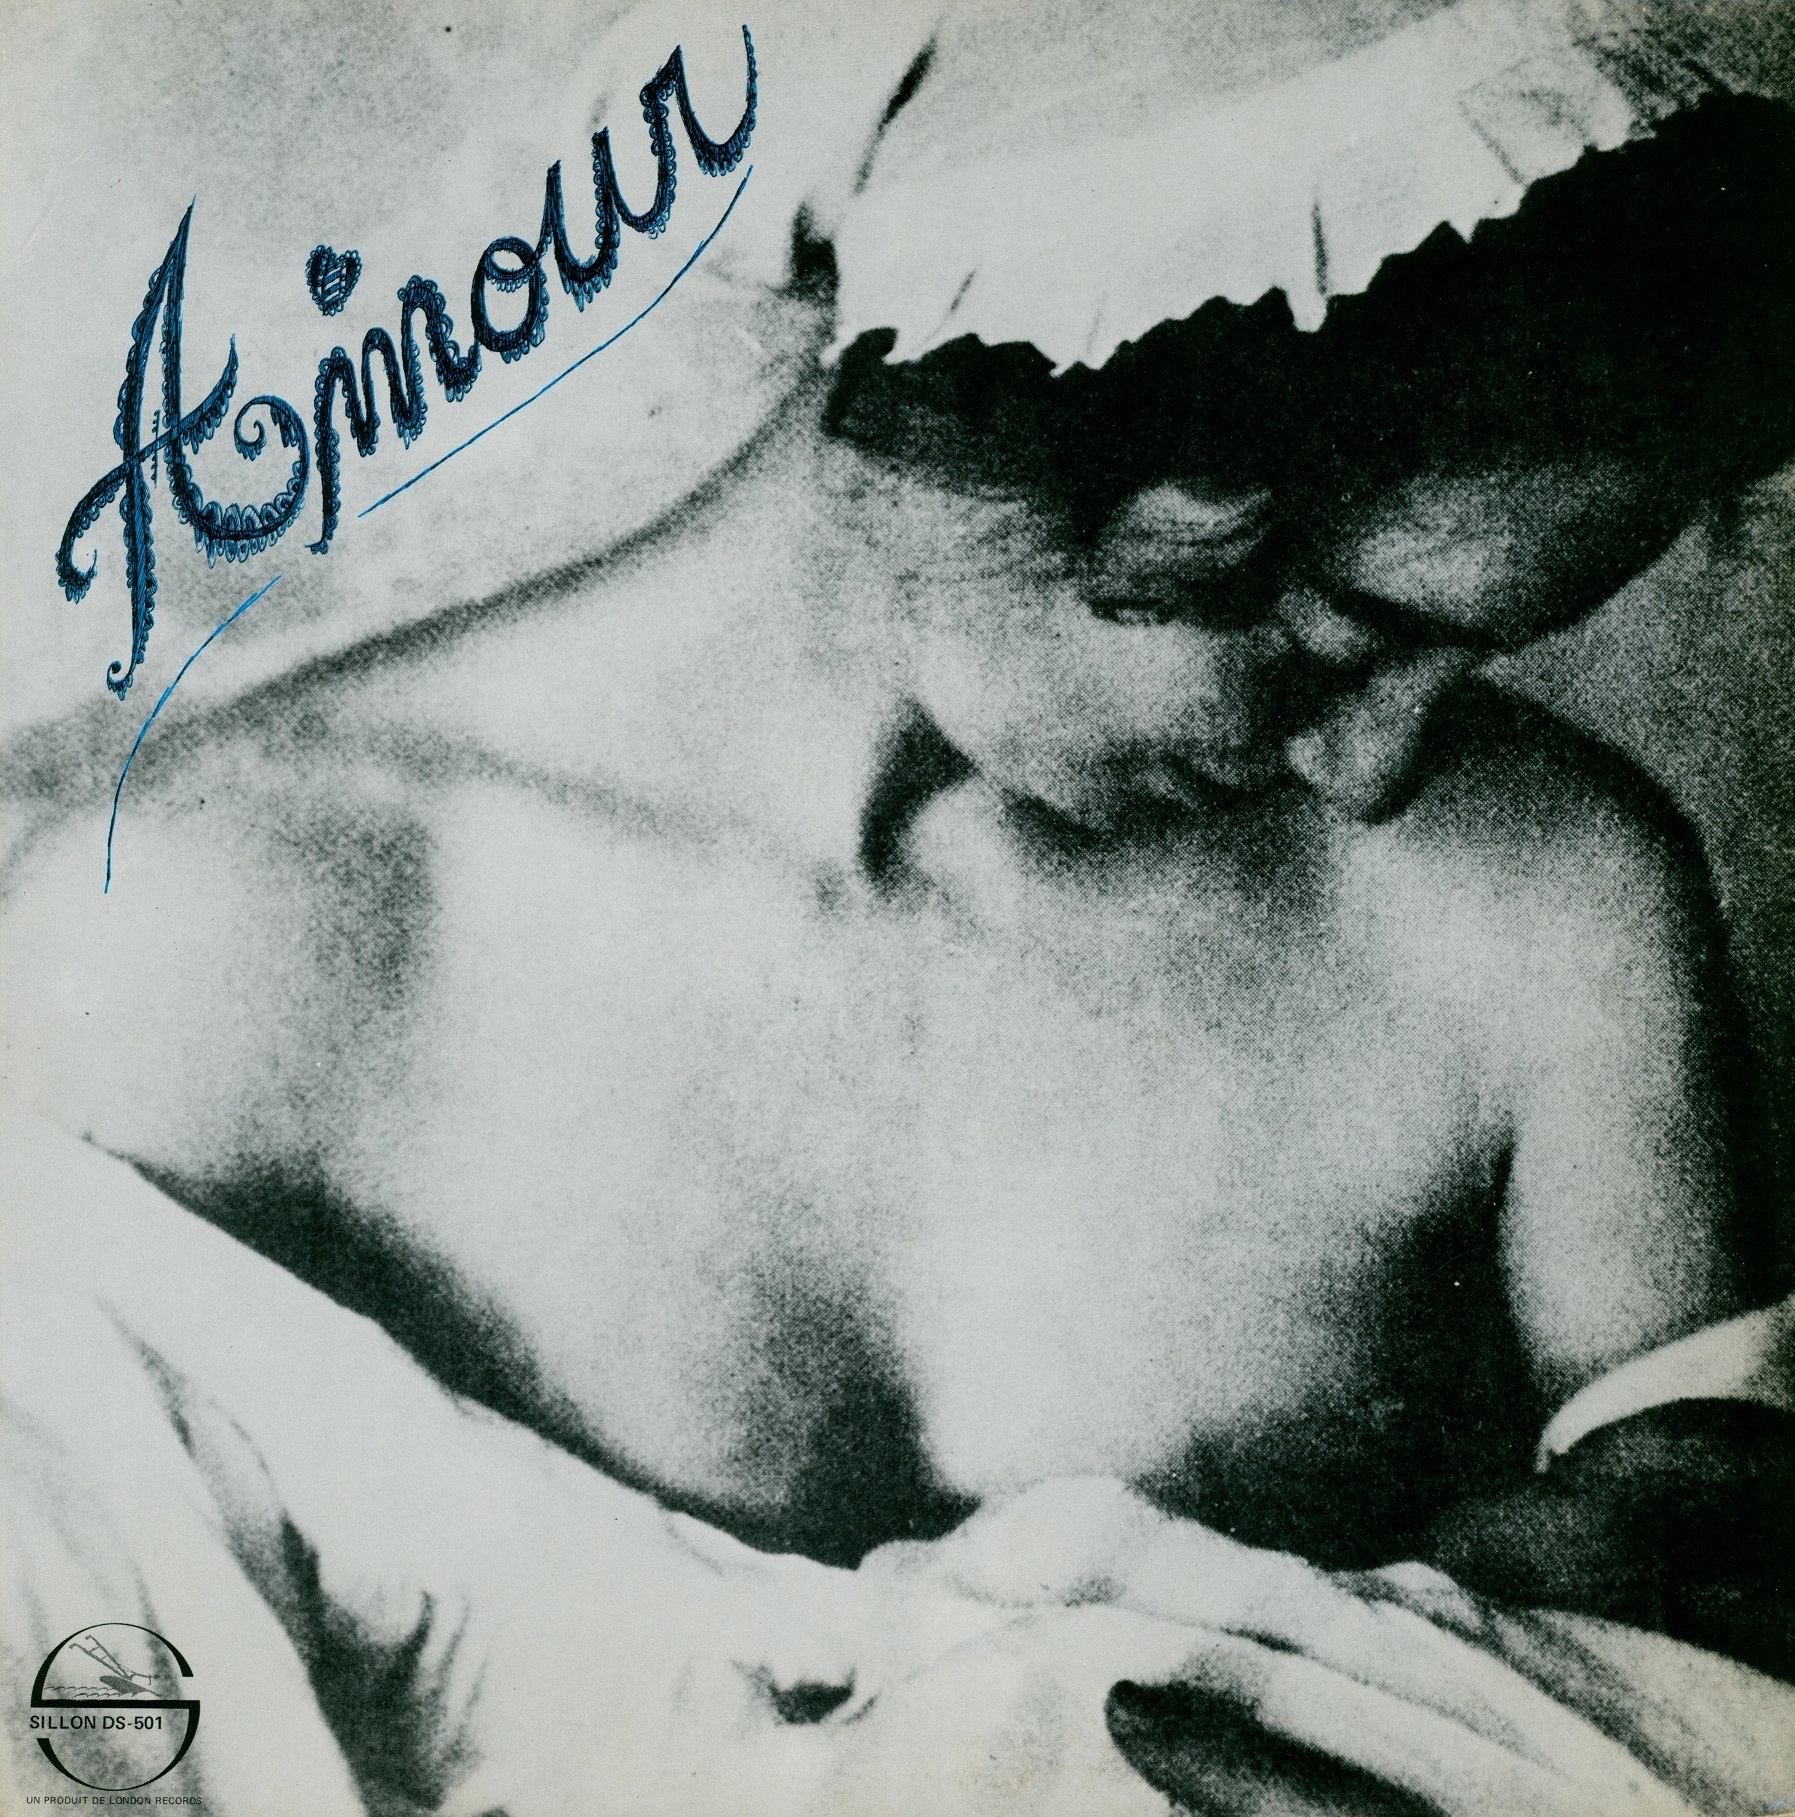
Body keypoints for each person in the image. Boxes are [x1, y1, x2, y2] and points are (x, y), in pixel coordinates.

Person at [4, 0, 1795, 1808]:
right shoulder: (199, 936)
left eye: (1461, 660)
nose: (1379, 764)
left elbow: (1729, 1665)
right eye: (1345, 635)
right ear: (1062, 433)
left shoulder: (1539, 903)